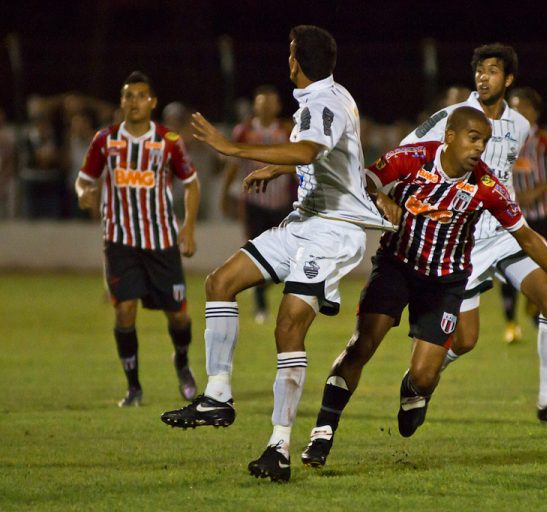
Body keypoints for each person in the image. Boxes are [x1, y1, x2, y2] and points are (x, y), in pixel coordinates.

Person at [300, 107, 547, 468]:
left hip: (444, 281)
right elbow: (363, 178)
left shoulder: (486, 186)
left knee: (425, 375)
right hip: (396, 267)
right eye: (473, 138)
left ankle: (413, 389)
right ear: (449, 136)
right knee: (361, 345)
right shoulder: (413, 159)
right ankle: (321, 434)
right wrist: (380, 197)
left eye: (485, 141)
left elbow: (527, 236)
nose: (480, 148)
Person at [159, 25, 392, 483]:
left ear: (294, 60)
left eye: (288, 53)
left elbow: (309, 149)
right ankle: (218, 396)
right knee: (219, 283)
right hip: (304, 221)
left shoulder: (323, 102)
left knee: (287, 327)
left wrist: (233, 149)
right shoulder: (328, 96)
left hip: (333, 232)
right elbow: (319, 156)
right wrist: (273, 166)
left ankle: (279, 445)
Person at [401, 43, 547, 429]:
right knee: (466, 340)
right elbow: (406, 151)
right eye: (479, 70)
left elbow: (502, 178)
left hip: (505, 233)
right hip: (462, 243)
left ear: (509, 79)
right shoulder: (451, 117)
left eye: (492, 71)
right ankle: (421, 379)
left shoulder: (520, 125)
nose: (483, 77)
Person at [75, 71, 200, 407]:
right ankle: (133, 387)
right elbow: (83, 179)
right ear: (121, 101)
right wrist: (83, 192)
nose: (134, 101)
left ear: (152, 102)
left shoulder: (169, 141)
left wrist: (187, 228)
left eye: (141, 95)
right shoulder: (105, 140)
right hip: (119, 241)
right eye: (128, 95)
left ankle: (182, 362)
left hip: (161, 242)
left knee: (178, 316)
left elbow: (191, 183)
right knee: (124, 311)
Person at [501, 86, 547, 341]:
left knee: (539, 266)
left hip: (541, 215)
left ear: (534, 111)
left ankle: (534, 302)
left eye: (522, 106)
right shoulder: (500, 136)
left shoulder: (546, 139)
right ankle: (511, 324)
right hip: (510, 216)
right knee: (507, 268)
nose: (516, 111)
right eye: (513, 106)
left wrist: (537, 191)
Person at [219, 85, 294, 324]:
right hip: (253, 203)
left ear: (278, 106)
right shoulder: (244, 131)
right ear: (255, 106)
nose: (266, 106)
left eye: (270, 102)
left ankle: (262, 289)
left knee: (287, 257)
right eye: (262, 102)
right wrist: (225, 194)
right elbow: (233, 164)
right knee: (257, 253)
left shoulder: (287, 131)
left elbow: (297, 163)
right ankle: (261, 305)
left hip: (281, 202)